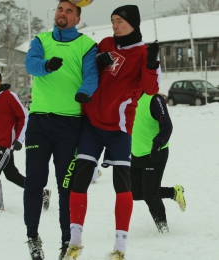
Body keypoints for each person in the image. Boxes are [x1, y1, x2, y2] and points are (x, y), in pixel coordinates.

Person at [64, 5, 160, 260]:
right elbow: (88, 72)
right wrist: (96, 60)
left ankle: (120, 247)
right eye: (113, 21)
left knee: (122, 185)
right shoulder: (105, 43)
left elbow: (150, 90)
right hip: (92, 124)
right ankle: (74, 243)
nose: (115, 26)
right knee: (80, 180)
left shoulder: (144, 52)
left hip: (119, 128)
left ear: (133, 24)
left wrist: (151, 64)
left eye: (120, 21)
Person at [23, 0, 98, 259]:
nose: (62, 14)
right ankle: (32, 237)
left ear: (77, 18)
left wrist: (84, 92)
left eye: (68, 11)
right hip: (39, 123)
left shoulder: (86, 45)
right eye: (59, 9)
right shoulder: (41, 40)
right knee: (34, 181)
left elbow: (92, 75)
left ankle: (67, 242)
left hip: (70, 125)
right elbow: (30, 63)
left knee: (67, 186)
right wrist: (45, 66)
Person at [0, 69, 52, 212]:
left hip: (6, 143)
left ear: (0, 80)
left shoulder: (9, 96)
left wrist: (19, 139)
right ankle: (42, 193)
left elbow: (24, 117)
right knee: (11, 175)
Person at [130, 92, 186, 234]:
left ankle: (163, 231)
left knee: (150, 195)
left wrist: (158, 143)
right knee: (134, 193)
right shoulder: (129, 96)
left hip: (155, 153)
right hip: (136, 153)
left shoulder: (154, 98)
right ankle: (173, 192)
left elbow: (167, 126)